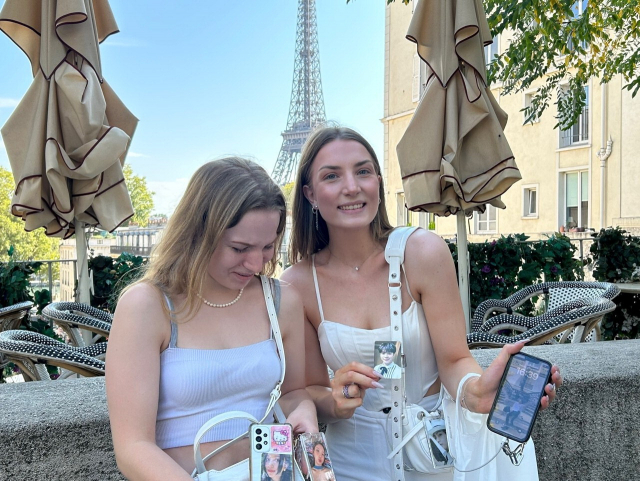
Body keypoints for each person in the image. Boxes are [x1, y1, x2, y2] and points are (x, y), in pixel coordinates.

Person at [280, 126, 563, 481]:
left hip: (431, 462)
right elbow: (307, 391)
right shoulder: (297, 284)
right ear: (309, 193)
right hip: (348, 465)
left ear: (378, 183)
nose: (351, 186)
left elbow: (455, 360)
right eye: (332, 176)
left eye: (363, 171)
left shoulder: (422, 252)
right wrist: (335, 402)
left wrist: (476, 392)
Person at [106, 158, 318, 480]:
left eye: (267, 247)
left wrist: (304, 410)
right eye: (239, 248)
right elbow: (133, 447)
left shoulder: (281, 300)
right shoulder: (147, 306)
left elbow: (292, 393)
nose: (256, 264)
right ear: (197, 234)